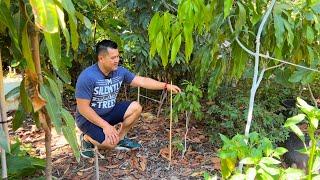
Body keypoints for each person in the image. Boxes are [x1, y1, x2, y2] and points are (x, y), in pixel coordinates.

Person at [75, 39, 181, 158]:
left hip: (108, 112)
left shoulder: (120, 72)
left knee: (136, 107)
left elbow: (141, 81)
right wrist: (106, 126)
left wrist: (166, 86)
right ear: (101, 58)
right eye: (113, 58)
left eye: (118, 56)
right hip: (88, 119)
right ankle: (86, 138)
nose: (117, 60)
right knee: (110, 145)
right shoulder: (87, 77)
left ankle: (120, 138)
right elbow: (83, 108)